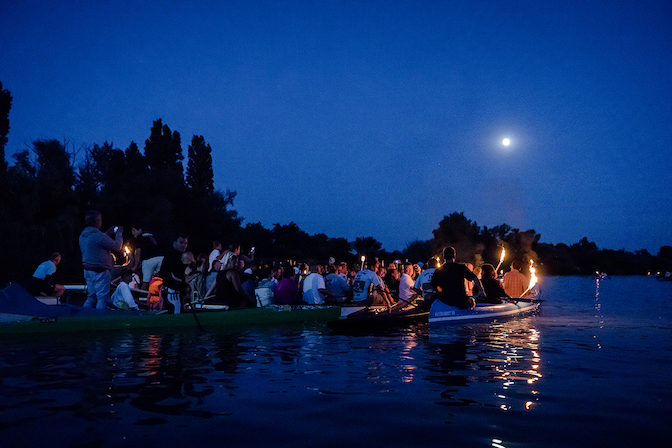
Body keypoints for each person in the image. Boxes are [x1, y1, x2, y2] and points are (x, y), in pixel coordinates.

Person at [79, 210, 123, 309]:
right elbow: (117, 246)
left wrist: (107, 233)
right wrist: (119, 234)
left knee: (91, 298)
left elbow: (97, 243)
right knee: (102, 298)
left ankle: (84, 317)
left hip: (87, 270)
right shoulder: (98, 236)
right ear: (97, 221)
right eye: (100, 219)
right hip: (100, 271)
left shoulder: (83, 235)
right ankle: (101, 319)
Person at [158, 233, 189, 314]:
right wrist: (182, 286)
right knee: (176, 314)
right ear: (174, 243)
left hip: (176, 291)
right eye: (181, 242)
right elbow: (169, 275)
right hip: (172, 292)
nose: (184, 245)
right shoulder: (172, 257)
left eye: (185, 243)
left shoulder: (177, 257)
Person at [129, 224, 163, 291]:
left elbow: (138, 252)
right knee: (159, 280)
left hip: (149, 260)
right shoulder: (152, 236)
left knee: (146, 281)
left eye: (134, 230)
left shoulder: (139, 238)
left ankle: (142, 297)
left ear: (140, 230)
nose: (133, 233)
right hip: (161, 258)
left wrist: (135, 266)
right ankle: (159, 298)